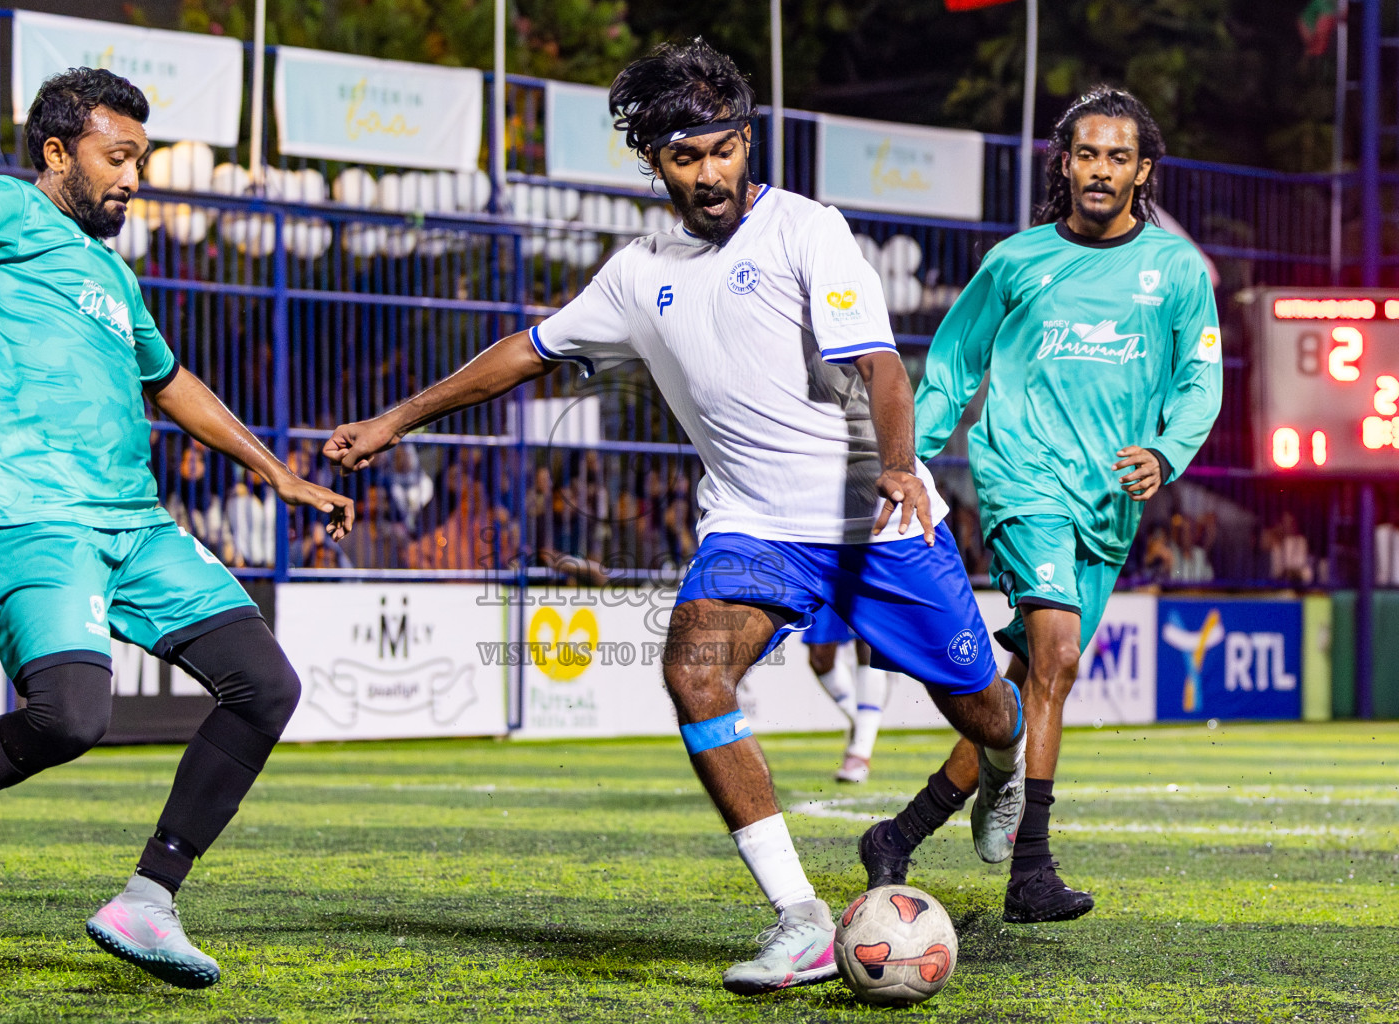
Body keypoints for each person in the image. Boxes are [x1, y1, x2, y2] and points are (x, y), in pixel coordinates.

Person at [323, 39, 1025, 997]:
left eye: (725, 149)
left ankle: (1003, 754)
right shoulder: (632, 275)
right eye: (687, 157)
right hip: (754, 529)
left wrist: (901, 465)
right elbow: (527, 351)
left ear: (748, 142)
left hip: (877, 526)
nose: (711, 174)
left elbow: (883, 366)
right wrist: (393, 421)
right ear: (655, 164)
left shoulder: (804, 229)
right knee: (694, 669)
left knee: (983, 708)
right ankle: (802, 920)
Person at [0, 68, 353, 986]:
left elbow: (168, 383)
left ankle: (150, 899)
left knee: (264, 684)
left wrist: (279, 474)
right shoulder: (4, 206)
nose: (134, 175)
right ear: (58, 154)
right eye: (116, 156)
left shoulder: (110, 271)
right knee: (70, 716)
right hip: (35, 512)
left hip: (135, 524)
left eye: (141, 157)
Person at [857, 87, 1222, 924]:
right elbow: (950, 367)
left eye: (1117, 156)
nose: (1100, 170)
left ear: (1143, 170)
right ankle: (1032, 871)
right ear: (1065, 163)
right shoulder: (1017, 261)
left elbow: (1203, 380)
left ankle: (898, 834)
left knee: (1022, 689)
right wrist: (907, 462)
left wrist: (1167, 450)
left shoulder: (1173, 273)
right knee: (1056, 657)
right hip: (1024, 479)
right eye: (1086, 154)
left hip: (1110, 503)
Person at [799, 606, 892, 783]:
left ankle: (860, 752)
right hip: (824, 578)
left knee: (869, 639)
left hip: (869, 580)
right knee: (819, 658)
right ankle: (863, 725)